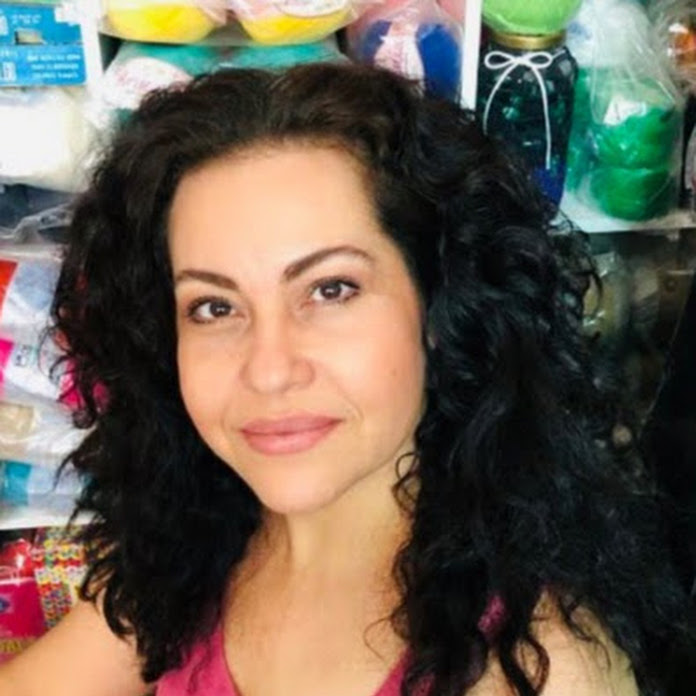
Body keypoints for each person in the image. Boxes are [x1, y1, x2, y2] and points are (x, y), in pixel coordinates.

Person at [0, 62, 692, 696]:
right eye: (214, 307)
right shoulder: (196, 538)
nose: (269, 370)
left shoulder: (532, 667)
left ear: (440, 305)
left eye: (330, 290)